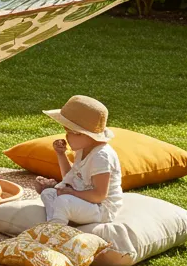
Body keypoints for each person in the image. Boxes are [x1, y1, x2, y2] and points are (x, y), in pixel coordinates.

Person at [35, 95, 123, 224]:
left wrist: (72, 193)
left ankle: (56, 230)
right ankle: (54, 221)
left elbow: (99, 195)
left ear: (84, 134)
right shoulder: (83, 149)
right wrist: (61, 154)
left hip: (101, 209)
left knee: (63, 201)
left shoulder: (101, 157)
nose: (66, 136)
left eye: (69, 132)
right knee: (48, 193)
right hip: (84, 201)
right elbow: (70, 177)